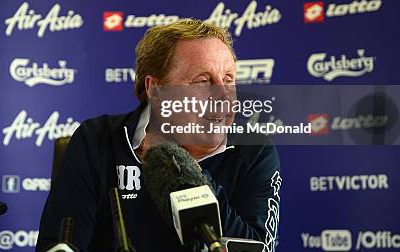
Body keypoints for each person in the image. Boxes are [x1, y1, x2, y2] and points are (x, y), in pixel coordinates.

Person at [36, 19, 281, 251]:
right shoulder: (96, 140)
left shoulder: (253, 150)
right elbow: (60, 245)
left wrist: (191, 177)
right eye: (202, 80)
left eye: (228, 78)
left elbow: (257, 247)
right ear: (155, 88)